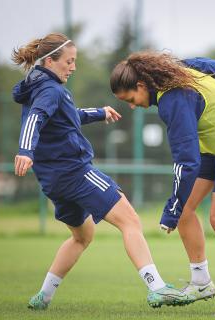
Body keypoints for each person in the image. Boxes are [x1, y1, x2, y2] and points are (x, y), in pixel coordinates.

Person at [11, 33, 193, 310]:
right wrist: (25, 150)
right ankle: (157, 288)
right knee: (130, 221)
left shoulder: (37, 86)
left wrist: (99, 112)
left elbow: (65, 117)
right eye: (69, 62)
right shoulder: (51, 91)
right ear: (50, 61)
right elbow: (36, 117)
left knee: (82, 237)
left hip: (52, 180)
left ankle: (43, 297)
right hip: (75, 172)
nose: (73, 67)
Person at [109, 51, 215, 316]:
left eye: (130, 99)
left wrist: (170, 210)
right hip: (214, 146)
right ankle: (201, 283)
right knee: (185, 208)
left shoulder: (173, 100)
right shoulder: (175, 69)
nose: (132, 105)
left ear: (140, 85)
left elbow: (186, 162)